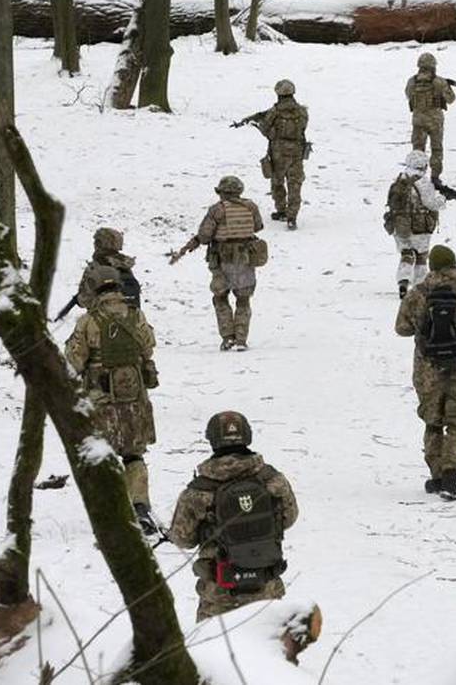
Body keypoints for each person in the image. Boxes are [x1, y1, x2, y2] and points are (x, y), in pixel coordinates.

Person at [170, 411, 300, 621]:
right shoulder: (273, 480)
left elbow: (182, 538)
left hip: (219, 599)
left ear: (212, 439)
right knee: (269, 651)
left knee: (212, 653)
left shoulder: (198, 492)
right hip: (267, 593)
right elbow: (290, 518)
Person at [64, 266, 162, 535]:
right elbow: (148, 346)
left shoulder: (88, 321)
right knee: (134, 455)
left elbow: (73, 361)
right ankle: (140, 506)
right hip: (135, 398)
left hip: (101, 400)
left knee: (102, 455)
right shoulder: (135, 314)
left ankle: (111, 513)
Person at [394, 245, 456, 500]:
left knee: (432, 421)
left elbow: (402, 328)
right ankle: (451, 477)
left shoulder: (419, 293)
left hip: (427, 369)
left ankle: (436, 476)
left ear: (433, 266)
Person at [174, 176, 267, 351]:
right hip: (245, 260)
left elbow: (204, 236)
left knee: (220, 297)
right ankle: (241, 339)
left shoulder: (217, 210)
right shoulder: (251, 206)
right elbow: (258, 226)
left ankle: (227, 338)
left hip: (222, 261)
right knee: (243, 300)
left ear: (222, 192)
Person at [237, 79, 310, 230]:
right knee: (295, 184)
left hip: (279, 152)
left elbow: (265, 128)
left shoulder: (275, 112)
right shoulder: (302, 111)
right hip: (297, 151)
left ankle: (281, 210)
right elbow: (303, 128)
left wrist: (258, 125)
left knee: (277, 182)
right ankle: (292, 218)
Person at [384, 150, 446, 299]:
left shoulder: (400, 179)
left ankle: (403, 281)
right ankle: (420, 286)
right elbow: (431, 204)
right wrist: (443, 199)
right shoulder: (424, 182)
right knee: (421, 257)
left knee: (406, 254)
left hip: (400, 226)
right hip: (420, 227)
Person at [405, 52, 456, 181]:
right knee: (436, 149)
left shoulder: (412, 81)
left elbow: (408, 94)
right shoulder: (439, 82)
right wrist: (447, 87)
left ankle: (416, 175)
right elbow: (451, 99)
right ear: (433, 66)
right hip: (435, 121)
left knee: (418, 149)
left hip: (418, 120)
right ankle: (435, 177)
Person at [77, 226, 142, 310]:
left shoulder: (95, 267)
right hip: (131, 319)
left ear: (100, 244)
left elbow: (84, 300)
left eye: (97, 241)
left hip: (102, 319)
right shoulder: (124, 266)